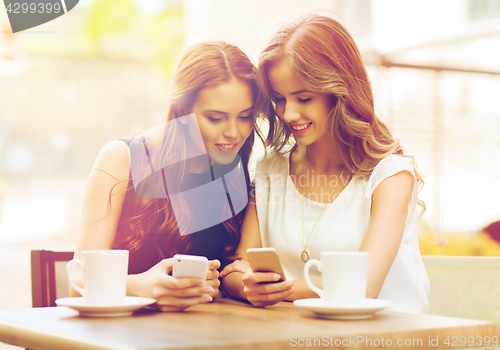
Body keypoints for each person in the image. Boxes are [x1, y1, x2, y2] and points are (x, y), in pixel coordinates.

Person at [220, 14, 430, 313]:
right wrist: (246, 285)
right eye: (279, 99)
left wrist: (280, 291)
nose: (288, 113)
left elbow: (362, 288)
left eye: (304, 98)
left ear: (340, 92)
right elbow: (236, 267)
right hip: (297, 338)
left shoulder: (390, 177)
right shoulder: (270, 170)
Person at [71, 41, 264, 312]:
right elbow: (77, 283)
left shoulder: (234, 172)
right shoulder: (121, 159)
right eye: (215, 118)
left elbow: (228, 275)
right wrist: (142, 286)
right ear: (183, 109)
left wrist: (216, 284)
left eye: (245, 116)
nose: (234, 133)